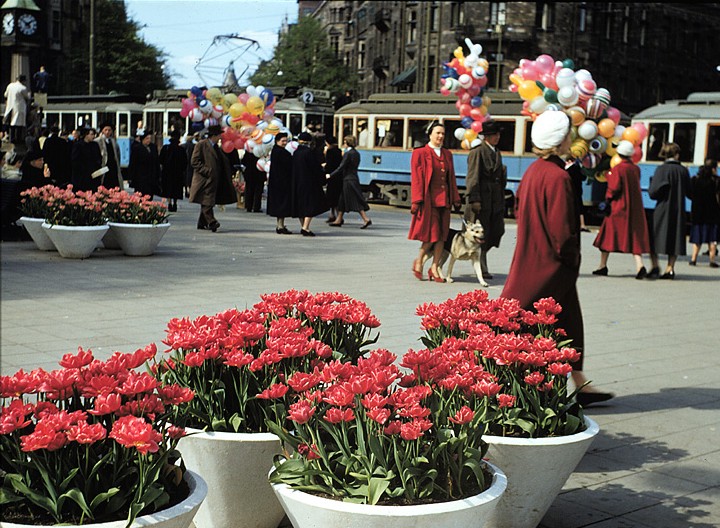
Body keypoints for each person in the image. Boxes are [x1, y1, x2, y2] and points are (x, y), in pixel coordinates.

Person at [501, 110, 613, 407]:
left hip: (531, 259)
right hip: (552, 265)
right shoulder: (558, 177)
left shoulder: (533, 172)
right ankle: (528, 389)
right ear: (562, 139)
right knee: (546, 325)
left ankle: (580, 383)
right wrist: (572, 259)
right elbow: (563, 231)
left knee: (568, 320)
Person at [408, 123, 461, 282]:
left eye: (443, 134)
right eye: (437, 133)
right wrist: (416, 200)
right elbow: (416, 179)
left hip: (444, 200)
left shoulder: (447, 154)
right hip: (428, 200)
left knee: (442, 236)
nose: (440, 136)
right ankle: (420, 260)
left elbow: (451, 178)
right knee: (432, 234)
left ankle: (435, 267)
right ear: (430, 134)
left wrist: (456, 198)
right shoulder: (420, 153)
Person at [592, 140, 651, 279]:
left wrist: (607, 199)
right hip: (634, 208)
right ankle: (639, 265)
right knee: (634, 237)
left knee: (607, 236)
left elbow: (614, 188)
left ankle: (602, 265)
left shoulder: (617, 169)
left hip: (618, 207)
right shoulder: (635, 169)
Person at [463, 119, 506, 279]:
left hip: (495, 200)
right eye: (495, 134)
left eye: (498, 134)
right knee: (483, 233)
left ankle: (480, 258)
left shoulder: (496, 151)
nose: (498, 137)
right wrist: (474, 199)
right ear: (486, 136)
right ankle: (481, 265)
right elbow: (473, 177)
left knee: (497, 231)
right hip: (482, 199)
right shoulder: (477, 152)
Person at [647, 142, 691, 279]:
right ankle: (670, 268)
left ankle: (655, 266)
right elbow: (690, 192)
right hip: (679, 210)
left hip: (662, 208)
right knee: (676, 238)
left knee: (653, 238)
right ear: (677, 154)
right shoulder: (684, 170)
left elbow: (653, 193)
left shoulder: (661, 169)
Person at [190, 125, 231, 232]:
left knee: (207, 200)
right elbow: (194, 161)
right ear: (214, 135)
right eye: (219, 135)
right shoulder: (202, 145)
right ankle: (212, 221)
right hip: (204, 179)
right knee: (207, 201)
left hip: (214, 179)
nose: (221, 137)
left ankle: (202, 222)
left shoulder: (217, 147)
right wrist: (207, 171)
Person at [328, 135, 372, 229]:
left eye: (344, 142)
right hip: (354, 178)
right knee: (342, 200)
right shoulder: (356, 153)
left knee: (355, 200)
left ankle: (366, 219)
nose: (343, 144)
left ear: (347, 143)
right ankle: (338, 219)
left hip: (348, 179)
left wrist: (330, 175)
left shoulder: (348, 154)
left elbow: (341, 167)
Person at [291, 131, 328, 236]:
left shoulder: (296, 153)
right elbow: (315, 168)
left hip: (297, 182)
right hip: (309, 182)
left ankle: (303, 225)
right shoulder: (309, 153)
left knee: (301, 205)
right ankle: (305, 227)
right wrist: (322, 178)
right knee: (310, 205)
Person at [688, 158, 720, 267]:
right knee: (712, 238)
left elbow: (689, 193)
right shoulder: (716, 181)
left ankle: (693, 259)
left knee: (698, 237)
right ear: (713, 169)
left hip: (697, 213)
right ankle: (712, 260)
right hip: (713, 213)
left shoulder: (695, 179)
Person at [266, 132, 294, 234]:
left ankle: (280, 225)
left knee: (279, 205)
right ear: (277, 141)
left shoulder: (275, 151)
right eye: (283, 141)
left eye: (286, 141)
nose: (285, 143)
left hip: (276, 182)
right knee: (282, 206)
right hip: (282, 183)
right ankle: (280, 226)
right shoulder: (282, 153)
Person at [159, 129, 188, 212]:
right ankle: (175, 202)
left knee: (168, 189)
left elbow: (160, 160)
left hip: (167, 173)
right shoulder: (181, 150)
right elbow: (185, 162)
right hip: (177, 173)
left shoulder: (166, 148)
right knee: (176, 189)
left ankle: (169, 203)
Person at [128, 130, 160, 198]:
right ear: (143, 139)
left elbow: (157, 161)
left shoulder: (153, 147)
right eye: (147, 138)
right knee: (140, 196)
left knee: (149, 196)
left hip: (151, 177)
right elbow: (133, 163)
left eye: (150, 138)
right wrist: (131, 176)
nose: (149, 140)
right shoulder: (137, 148)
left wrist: (158, 174)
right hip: (140, 177)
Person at [70, 127, 102, 191]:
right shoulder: (78, 145)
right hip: (81, 176)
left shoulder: (95, 145)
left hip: (94, 174)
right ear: (86, 135)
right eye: (92, 134)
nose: (93, 136)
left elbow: (99, 157)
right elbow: (75, 160)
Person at [95, 123, 124, 189]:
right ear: (102, 131)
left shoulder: (113, 141)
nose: (107, 132)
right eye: (106, 130)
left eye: (109, 130)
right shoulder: (97, 141)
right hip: (103, 167)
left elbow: (118, 155)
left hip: (113, 167)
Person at [3, 75, 30, 144]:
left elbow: (5, 95)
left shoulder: (10, 86)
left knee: (12, 124)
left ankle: (11, 138)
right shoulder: (23, 88)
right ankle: (18, 139)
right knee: (19, 125)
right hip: (19, 107)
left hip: (10, 107)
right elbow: (27, 97)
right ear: (23, 81)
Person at [323, 135, 343, 223]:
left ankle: (333, 215)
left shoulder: (329, 151)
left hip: (331, 176)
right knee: (337, 196)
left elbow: (329, 164)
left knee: (331, 196)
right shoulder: (339, 151)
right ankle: (337, 215)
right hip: (338, 176)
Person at [183, 132, 200, 197]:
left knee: (185, 177)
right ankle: (190, 190)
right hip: (192, 164)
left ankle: (186, 190)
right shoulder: (195, 146)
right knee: (191, 177)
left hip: (185, 164)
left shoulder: (183, 146)